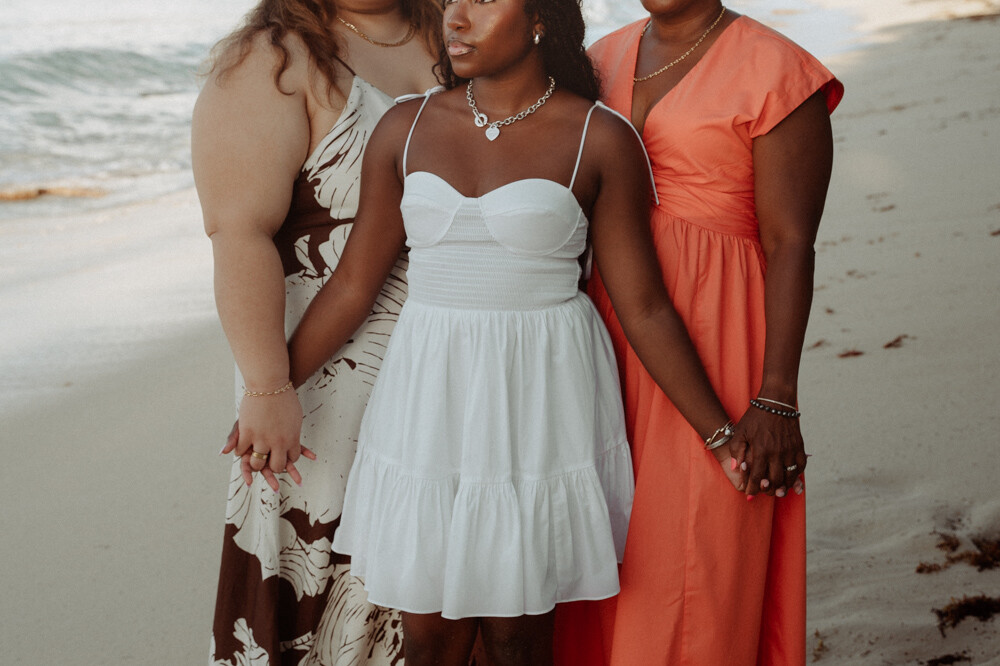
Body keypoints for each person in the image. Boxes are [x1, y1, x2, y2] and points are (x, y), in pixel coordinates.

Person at [262, 0, 763, 663]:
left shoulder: (599, 138)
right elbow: (354, 283)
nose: (456, 20)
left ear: (539, 20)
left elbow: (643, 306)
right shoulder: (406, 128)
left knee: (516, 638)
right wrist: (270, 389)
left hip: (537, 406)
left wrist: (721, 435)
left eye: (484, 1)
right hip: (430, 399)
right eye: (451, 3)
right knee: (429, 637)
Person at [554, 2, 844, 664]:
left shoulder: (776, 70)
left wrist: (776, 395)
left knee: (701, 549)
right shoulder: (600, 58)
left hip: (720, 333)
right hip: (609, 327)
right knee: (612, 546)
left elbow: (792, 242)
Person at [191, 1, 441, 663]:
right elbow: (238, 233)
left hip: (451, 366)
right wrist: (269, 387)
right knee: (315, 579)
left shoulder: (456, 26)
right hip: (321, 379)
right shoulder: (275, 59)